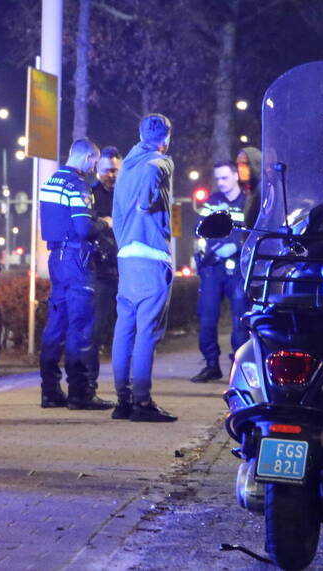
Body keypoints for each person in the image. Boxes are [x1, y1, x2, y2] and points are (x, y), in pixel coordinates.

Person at [38, 138, 115, 411]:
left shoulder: (50, 183)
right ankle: (80, 392)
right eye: (94, 162)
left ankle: (49, 390)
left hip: (56, 258)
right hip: (77, 259)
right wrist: (104, 223)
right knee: (80, 326)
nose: (95, 167)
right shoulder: (77, 184)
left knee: (56, 324)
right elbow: (84, 228)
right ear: (87, 158)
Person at [111, 114, 177, 422]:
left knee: (124, 328)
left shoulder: (125, 166)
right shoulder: (160, 161)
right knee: (146, 333)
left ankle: (122, 400)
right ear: (165, 139)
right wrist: (146, 201)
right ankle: (142, 402)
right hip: (151, 256)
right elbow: (153, 176)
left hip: (126, 256)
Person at [191, 161, 249, 383]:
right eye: (218, 179)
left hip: (237, 270)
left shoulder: (247, 201)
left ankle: (239, 366)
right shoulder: (213, 202)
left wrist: (235, 246)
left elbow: (250, 231)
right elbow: (201, 231)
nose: (221, 183)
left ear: (236, 176)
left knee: (240, 320)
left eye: (225, 177)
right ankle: (211, 364)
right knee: (206, 317)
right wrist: (214, 251)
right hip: (214, 268)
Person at [89, 146, 121, 394]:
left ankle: (125, 386)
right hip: (100, 272)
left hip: (124, 270)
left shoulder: (126, 193)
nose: (111, 175)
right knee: (96, 329)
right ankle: (89, 382)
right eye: (107, 171)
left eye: (115, 170)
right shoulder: (91, 195)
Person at [236, 147, 262, 229]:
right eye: (238, 164)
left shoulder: (262, 192)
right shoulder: (245, 192)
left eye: (245, 164)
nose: (240, 169)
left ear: (255, 164)